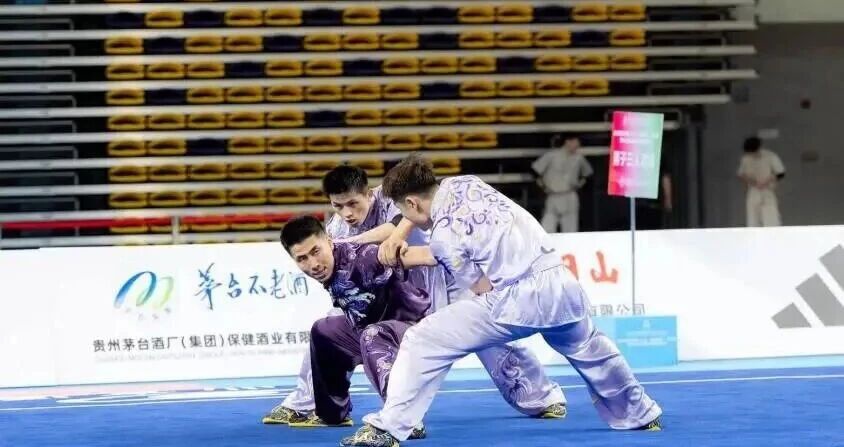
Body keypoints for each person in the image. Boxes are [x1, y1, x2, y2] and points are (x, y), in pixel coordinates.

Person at [341, 156, 662, 447]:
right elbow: (446, 235)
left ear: (411, 202)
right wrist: (402, 242)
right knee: (590, 348)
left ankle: (389, 427)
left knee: (422, 339)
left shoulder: (443, 237)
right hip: (562, 283)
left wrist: (394, 254)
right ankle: (640, 413)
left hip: (518, 298)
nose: (405, 218)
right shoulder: (466, 182)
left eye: (404, 212)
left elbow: (480, 286)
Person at [262, 166, 566, 426]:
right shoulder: (335, 228)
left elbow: (404, 220)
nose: (347, 213)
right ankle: (305, 403)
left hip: (443, 278)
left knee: (490, 333)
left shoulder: (391, 198)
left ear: (369, 193)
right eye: (338, 206)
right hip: (391, 296)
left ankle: (542, 397)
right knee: (327, 330)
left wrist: (382, 238)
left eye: (352, 204)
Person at [278, 216, 431, 433]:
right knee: (324, 331)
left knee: (372, 334)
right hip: (372, 331)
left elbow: (425, 255)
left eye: (316, 251)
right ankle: (332, 413)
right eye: (302, 258)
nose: (313, 264)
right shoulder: (331, 264)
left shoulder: (365, 257)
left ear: (329, 242)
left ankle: (405, 419)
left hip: (414, 331)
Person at [531, 134, 593, 233]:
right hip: (553, 195)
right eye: (576, 142)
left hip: (570, 195)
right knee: (547, 227)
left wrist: (580, 184)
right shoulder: (551, 155)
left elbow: (588, 174)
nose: (578, 145)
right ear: (568, 142)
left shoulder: (579, 158)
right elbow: (535, 171)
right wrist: (542, 186)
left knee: (571, 229)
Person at [737, 137, 786, 227]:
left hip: (767, 190)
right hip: (753, 191)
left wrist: (766, 181)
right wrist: (751, 181)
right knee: (753, 221)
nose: (751, 154)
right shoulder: (745, 158)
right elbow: (741, 174)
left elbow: (780, 173)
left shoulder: (770, 156)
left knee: (771, 221)